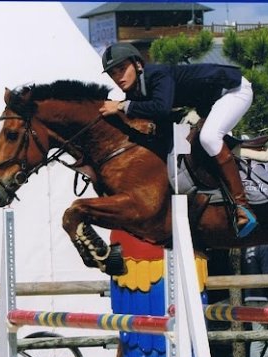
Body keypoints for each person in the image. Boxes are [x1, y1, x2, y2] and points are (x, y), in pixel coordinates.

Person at [99, 42, 257, 237]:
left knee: (208, 138)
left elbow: (161, 108)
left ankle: (243, 205)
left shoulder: (156, 74)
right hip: (209, 103)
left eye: (122, 69)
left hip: (233, 90)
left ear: (138, 64)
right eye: (113, 73)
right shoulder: (135, 90)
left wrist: (121, 106)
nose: (118, 77)